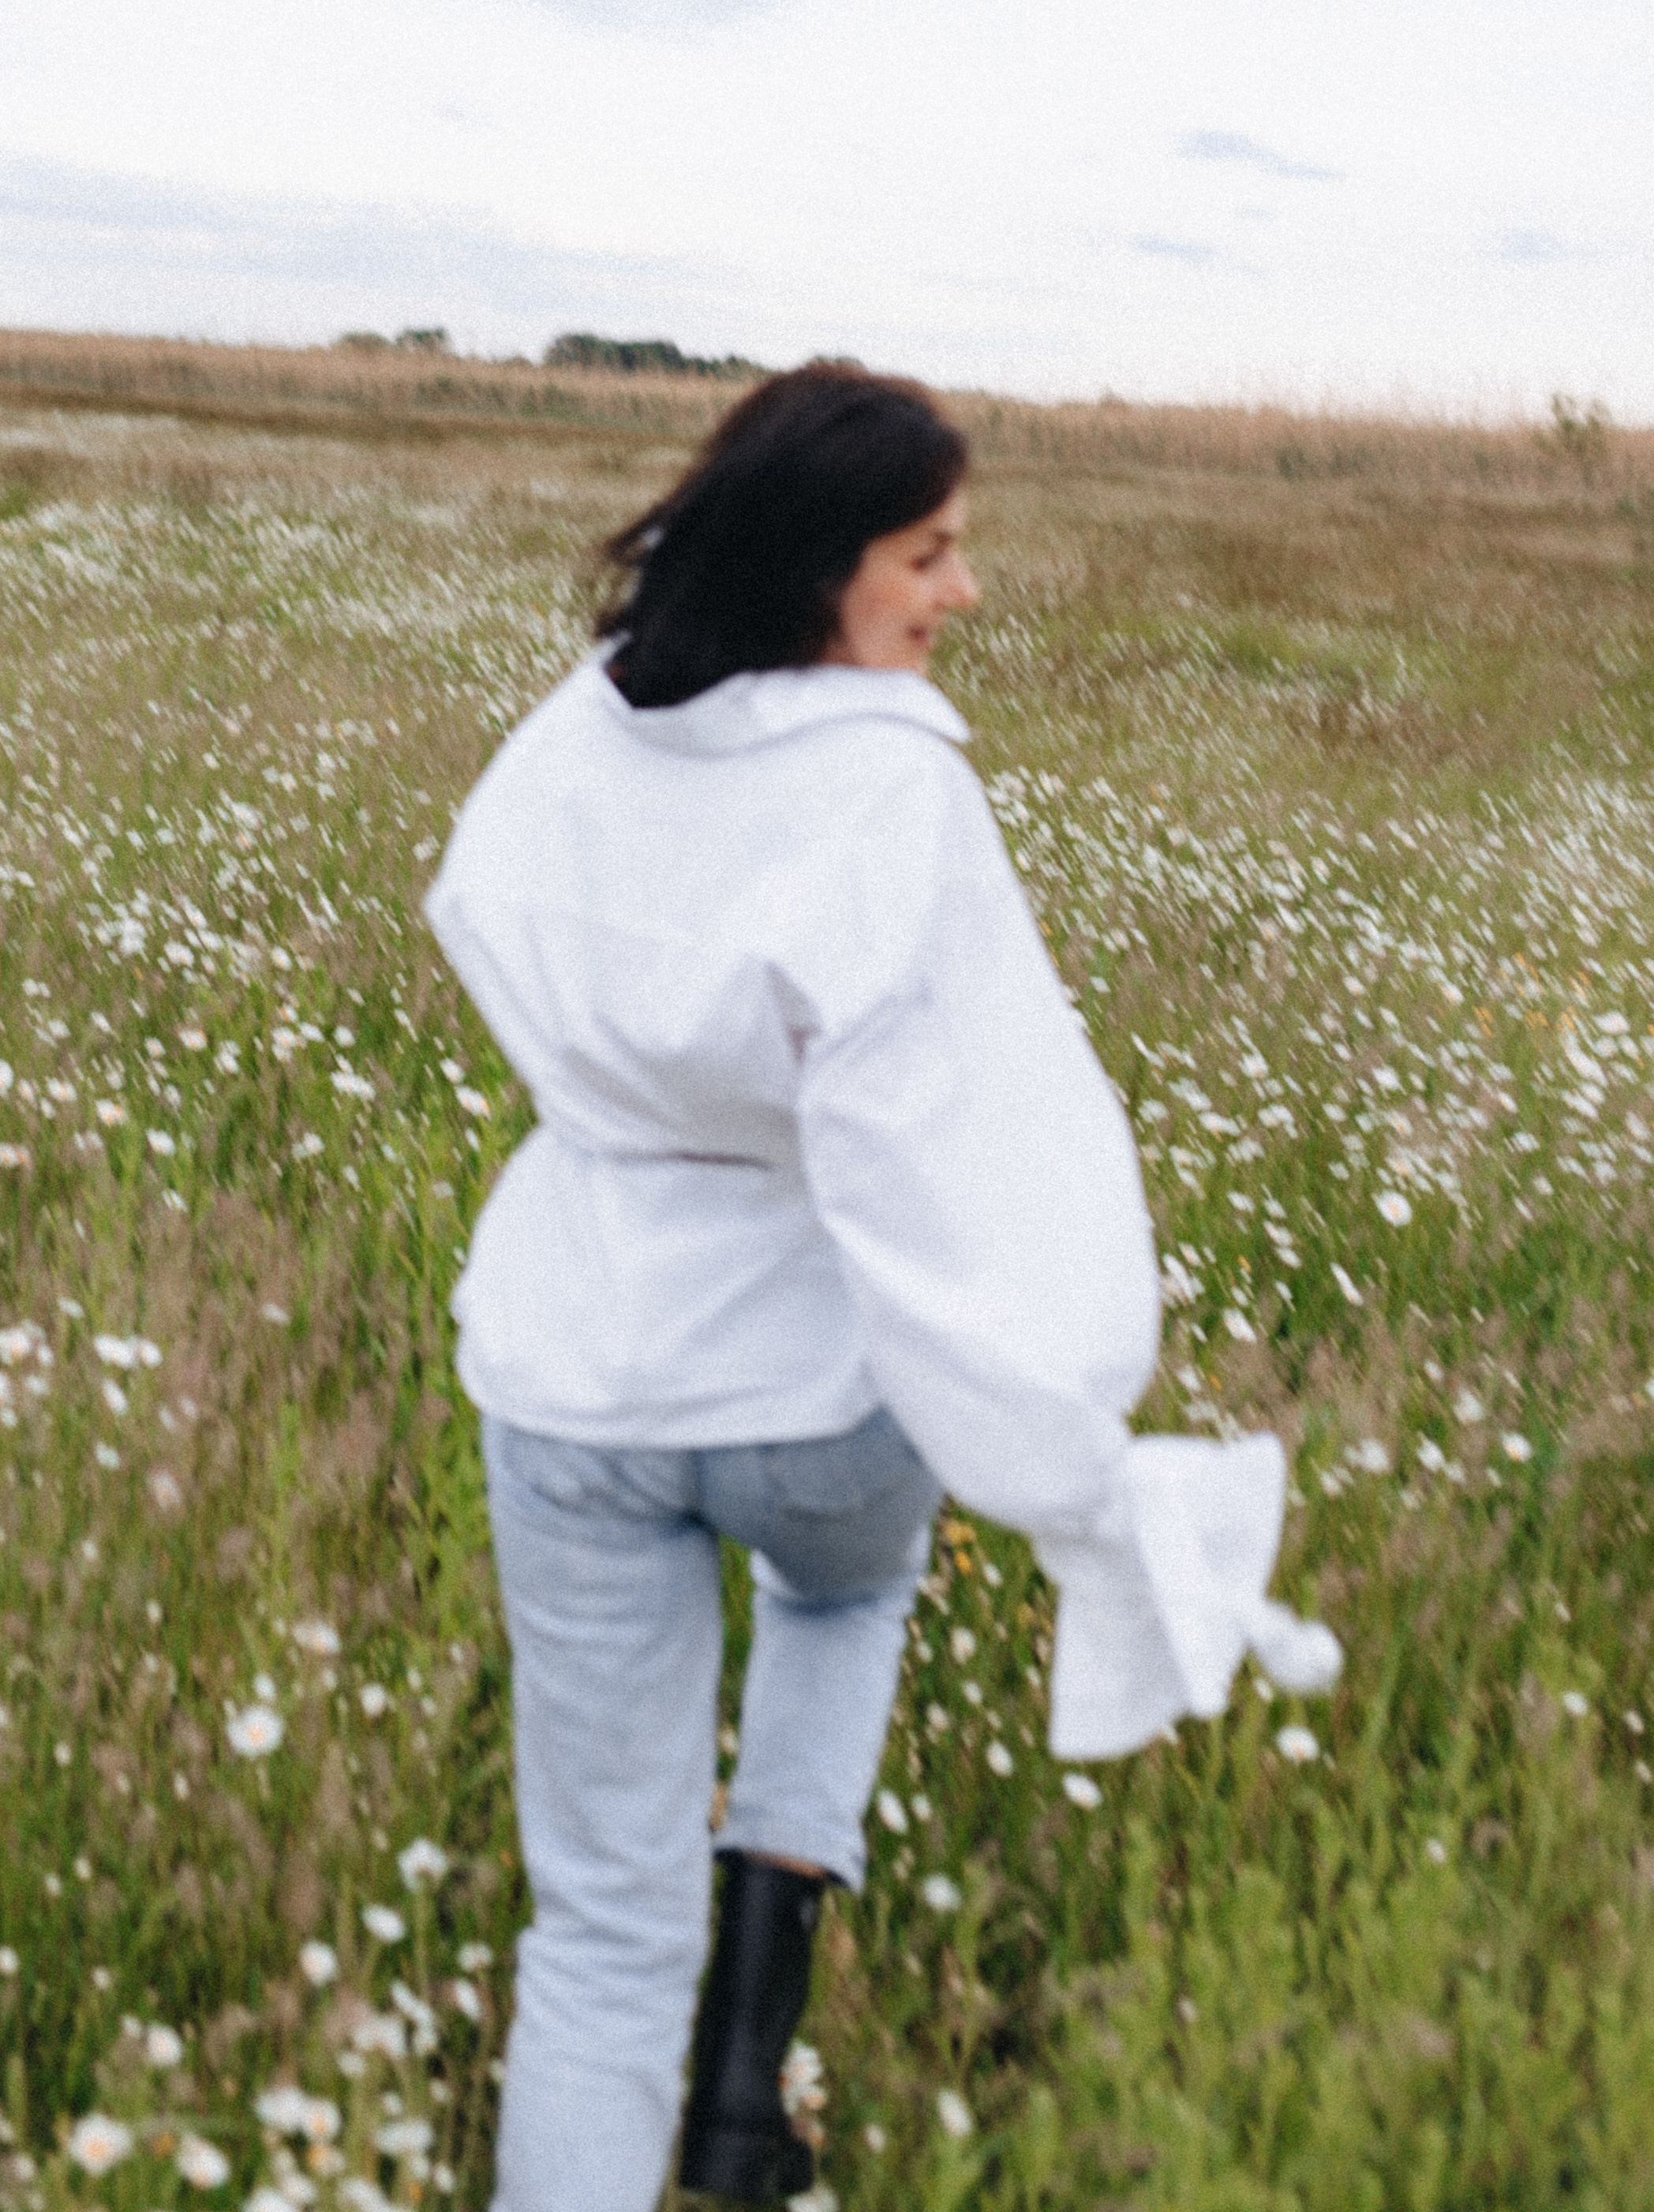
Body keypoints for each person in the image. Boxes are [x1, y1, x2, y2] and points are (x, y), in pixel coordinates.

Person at [426, 364, 1339, 2212]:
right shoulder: (886, 795)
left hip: (568, 1371)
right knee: (845, 1605)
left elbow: (471, 912)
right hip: (809, 1391)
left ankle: (668, 2108)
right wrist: (1056, 1423)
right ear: (813, 571)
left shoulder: (573, 732)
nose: (961, 593)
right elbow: (938, 1149)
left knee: (595, 1931)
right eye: (927, 555)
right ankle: (749, 2084)